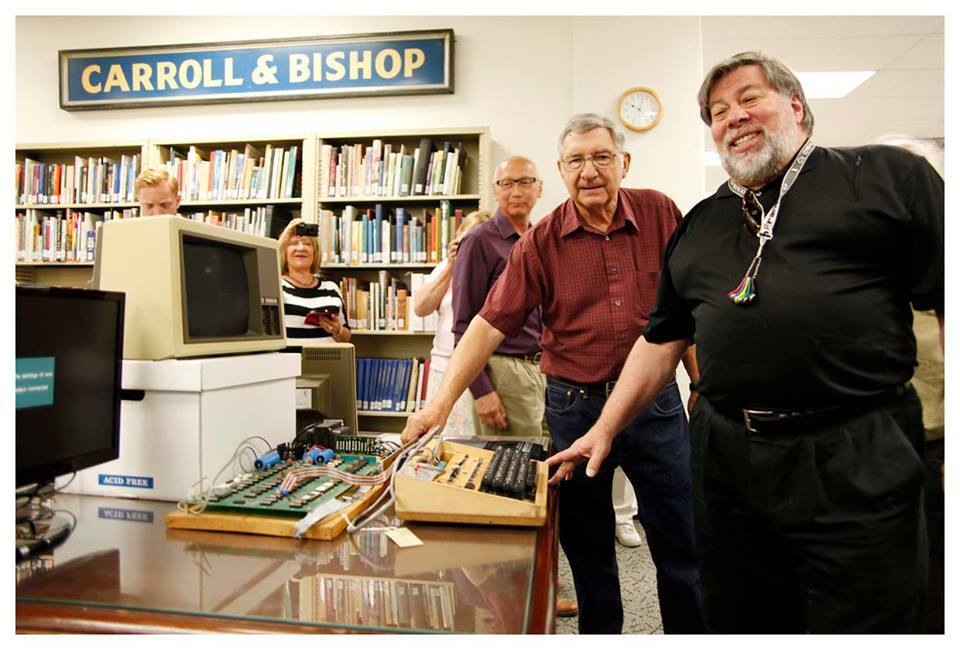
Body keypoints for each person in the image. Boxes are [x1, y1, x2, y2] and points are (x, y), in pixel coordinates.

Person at [547, 52, 944, 634]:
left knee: (865, 616)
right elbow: (661, 340)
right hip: (729, 458)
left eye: (749, 98)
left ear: (796, 106)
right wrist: (603, 429)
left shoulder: (887, 178)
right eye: (717, 110)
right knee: (741, 614)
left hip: (854, 451)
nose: (733, 116)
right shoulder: (703, 222)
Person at [403, 113, 704, 634]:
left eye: (602, 157)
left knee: (683, 542)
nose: (590, 171)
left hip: (655, 405)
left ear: (624, 163)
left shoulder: (660, 214)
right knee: (587, 552)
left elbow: (688, 310)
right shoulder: (540, 243)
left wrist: (700, 381)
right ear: (561, 173)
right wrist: (440, 403)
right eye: (576, 161)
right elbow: (488, 323)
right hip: (576, 410)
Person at [452, 156, 545, 436]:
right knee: (510, 470)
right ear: (495, 190)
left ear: (539, 188)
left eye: (525, 182)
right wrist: (481, 390)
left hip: (542, 370)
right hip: (502, 372)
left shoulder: (541, 237)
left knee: (540, 464)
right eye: (507, 183)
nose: (516, 191)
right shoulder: (479, 241)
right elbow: (462, 324)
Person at [414, 210, 492, 437]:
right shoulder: (445, 268)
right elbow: (421, 307)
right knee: (441, 438)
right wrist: (450, 266)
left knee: (475, 442)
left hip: (479, 371)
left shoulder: (493, 270)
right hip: (443, 370)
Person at [277, 218, 351, 346]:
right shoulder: (276, 285)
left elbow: (346, 336)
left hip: (327, 364)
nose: (301, 248)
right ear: (284, 251)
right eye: (294, 243)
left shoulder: (331, 288)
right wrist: (284, 236)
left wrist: (337, 330)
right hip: (290, 364)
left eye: (307, 243)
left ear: (315, 253)